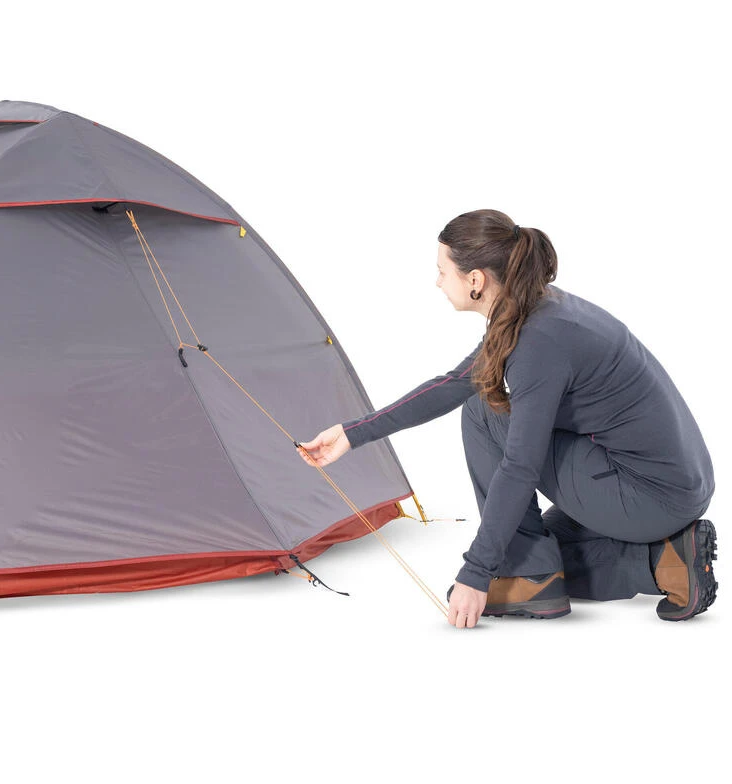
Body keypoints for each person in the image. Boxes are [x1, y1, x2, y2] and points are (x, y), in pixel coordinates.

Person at [297, 209, 717, 629]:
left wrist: (476, 571)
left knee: (484, 413)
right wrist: (352, 434)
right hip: (666, 485)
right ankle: (663, 561)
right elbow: (452, 383)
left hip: (649, 495)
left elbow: (520, 465)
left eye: (442, 271)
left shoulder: (538, 341)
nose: (438, 282)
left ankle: (544, 576)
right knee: (541, 552)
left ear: (475, 279)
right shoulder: (533, 307)